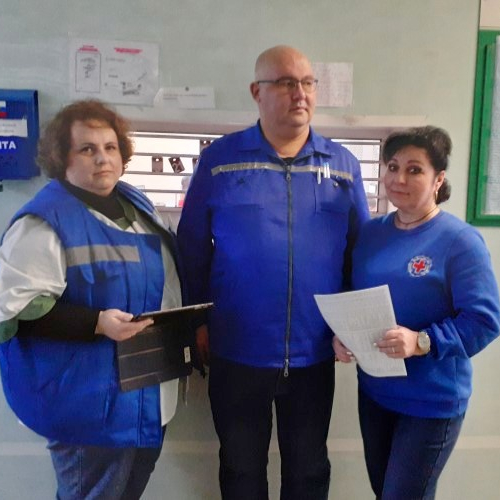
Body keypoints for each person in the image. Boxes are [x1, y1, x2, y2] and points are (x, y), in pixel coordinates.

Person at [177, 45, 370, 500]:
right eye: (285, 82)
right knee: (241, 469)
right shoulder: (220, 160)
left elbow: (358, 254)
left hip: (313, 352)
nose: (300, 93)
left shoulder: (342, 165)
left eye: (307, 83)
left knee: (308, 469)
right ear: (256, 92)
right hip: (236, 349)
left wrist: (351, 327)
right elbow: (191, 247)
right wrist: (196, 320)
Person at [0, 99, 184, 499]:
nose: (102, 158)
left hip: (145, 394)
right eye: (87, 149)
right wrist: (96, 323)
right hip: (87, 404)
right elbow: (11, 312)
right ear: (61, 157)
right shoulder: (43, 222)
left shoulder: (136, 206)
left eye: (110, 147)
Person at [334, 126, 500, 499]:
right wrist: (342, 334)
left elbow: (485, 321)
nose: (399, 179)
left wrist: (421, 341)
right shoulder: (371, 233)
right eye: (393, 167)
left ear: (438, 179)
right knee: (384, 491)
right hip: (375, 393)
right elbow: (354, 296)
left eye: (414, 170)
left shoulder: (460, 241)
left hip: (431, 401)